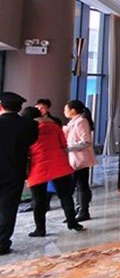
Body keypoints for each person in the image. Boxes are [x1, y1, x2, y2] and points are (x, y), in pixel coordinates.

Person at [21, 107, 84, 235]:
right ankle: (72, 222)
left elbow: (24, 150)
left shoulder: (26, 131)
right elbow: (64, 145)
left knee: (38, 200)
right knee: (65, 196)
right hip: (59, 165)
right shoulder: (55, 127)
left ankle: (40, 229)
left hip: (38, 168)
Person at [0, 92, 38, 255]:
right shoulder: (30, 125)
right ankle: (2, 242)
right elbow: (32, 141)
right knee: (8, 208)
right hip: (15, 172)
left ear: (1, 106)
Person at [63, 100, 97, 222]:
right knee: (79, 184)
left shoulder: (81, 121)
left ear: (73, 110)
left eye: (66, 109)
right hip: (75, 158)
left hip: (81, 159)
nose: (64, 111)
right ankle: (78, 210)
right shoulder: (73, 122)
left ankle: (83, 211)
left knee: (81, 184)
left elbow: (86, 141)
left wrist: (68, 148)